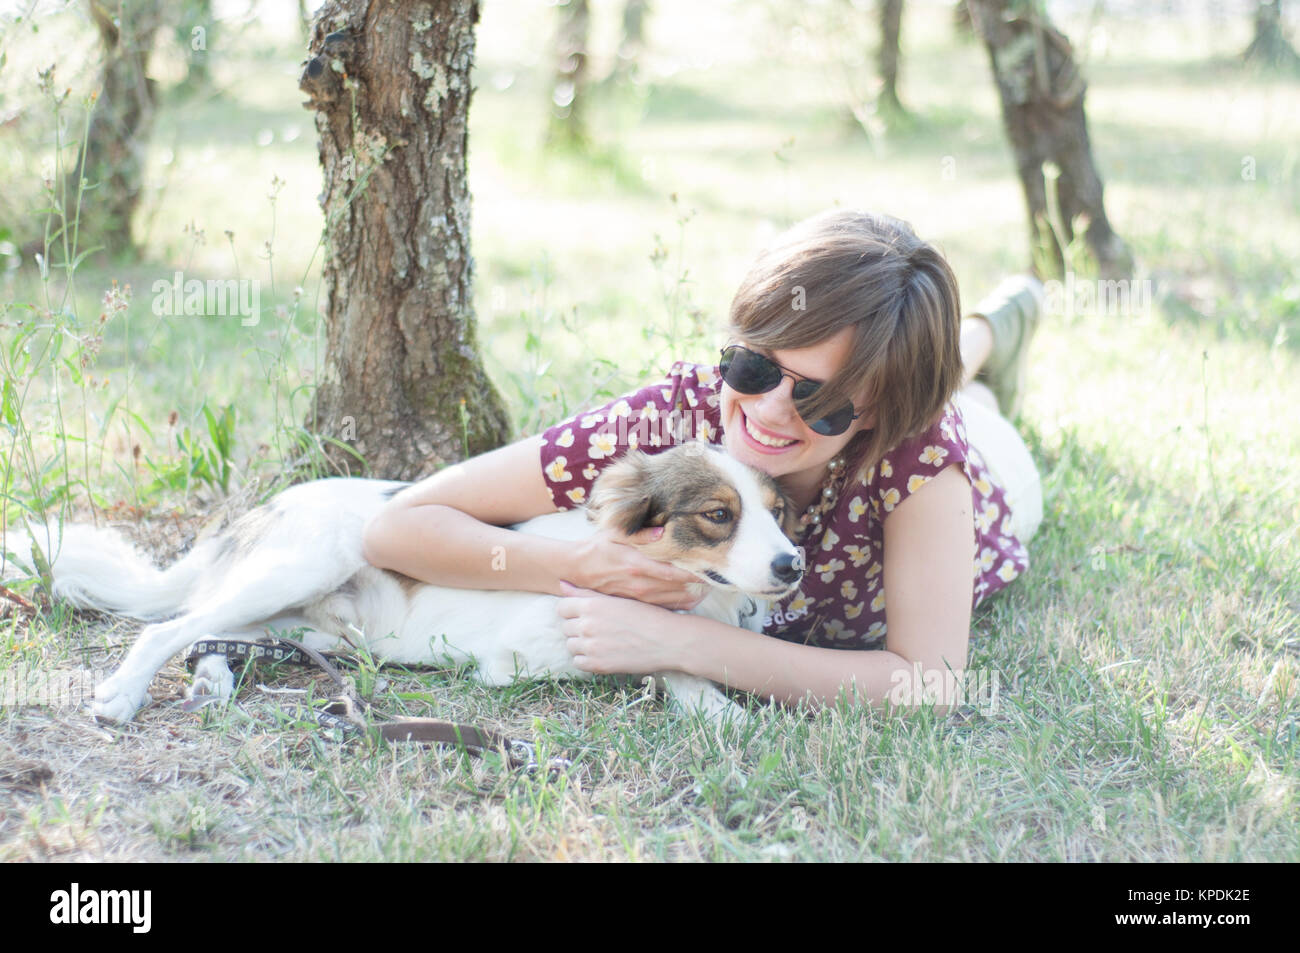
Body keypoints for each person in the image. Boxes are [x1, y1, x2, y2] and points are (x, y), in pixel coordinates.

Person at [362, 209, 1043, 711]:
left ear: (880, 417)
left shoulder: (920, 459)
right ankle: (984, 336)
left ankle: (987, 332)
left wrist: (677, 643)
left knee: (956, 385)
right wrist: (576, 565)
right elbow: (396, 528)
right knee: (942, 368)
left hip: (998, 465)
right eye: (754, 365)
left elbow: (930, 682)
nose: (771, 409)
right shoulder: (671, 419)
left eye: (822, 400)